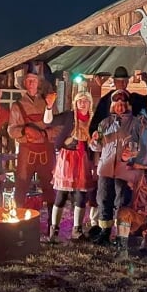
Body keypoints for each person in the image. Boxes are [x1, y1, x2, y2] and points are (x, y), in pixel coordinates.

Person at [44, 88, 96, 241]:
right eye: (80, 100)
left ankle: (77, 230)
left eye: (85, 101)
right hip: (67, 157)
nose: (82, 103)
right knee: (61, 194)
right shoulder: (69, 116)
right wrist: (48, 106)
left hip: (83, 158)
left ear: (90, 103)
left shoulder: (93, 119)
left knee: (81, 195)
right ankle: (54, 230)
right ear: (75, 103)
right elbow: (49, 121)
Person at [89, 89, 138, 244]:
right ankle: (105, 231)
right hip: (105, 169)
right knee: (104, 200)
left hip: (124, 170)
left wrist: (132, 152)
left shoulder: (135, 123)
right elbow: (97, 147)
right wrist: (95, 141)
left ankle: (121, 234)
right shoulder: (104, 123)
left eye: (123, 103)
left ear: (128, 105)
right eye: (117, 103)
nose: (120, 106)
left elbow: (140, 145)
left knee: (121, 201)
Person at [7, 71, 57, 217]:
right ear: (24, 83)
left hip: (46, 151)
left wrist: (44, 134)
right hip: (26, 150)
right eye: (28, 80)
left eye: (34, 80)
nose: (31, 83)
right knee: (21, 184)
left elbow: (58, 126)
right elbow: (11, 130)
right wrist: (25, 131)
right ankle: (17, 218)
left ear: (38, 83)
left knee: (49, 186)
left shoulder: (48, 103)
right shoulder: (18, 105)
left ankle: (52, 224)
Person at [89, 66, 147, 133]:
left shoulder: (135, 99)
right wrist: (96, 135)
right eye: (119, 81)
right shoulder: (105, 101)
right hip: (110, 139)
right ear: (114, 82)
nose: (122, 84)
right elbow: (95, 124)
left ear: (127, 82)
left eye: (124, 81)